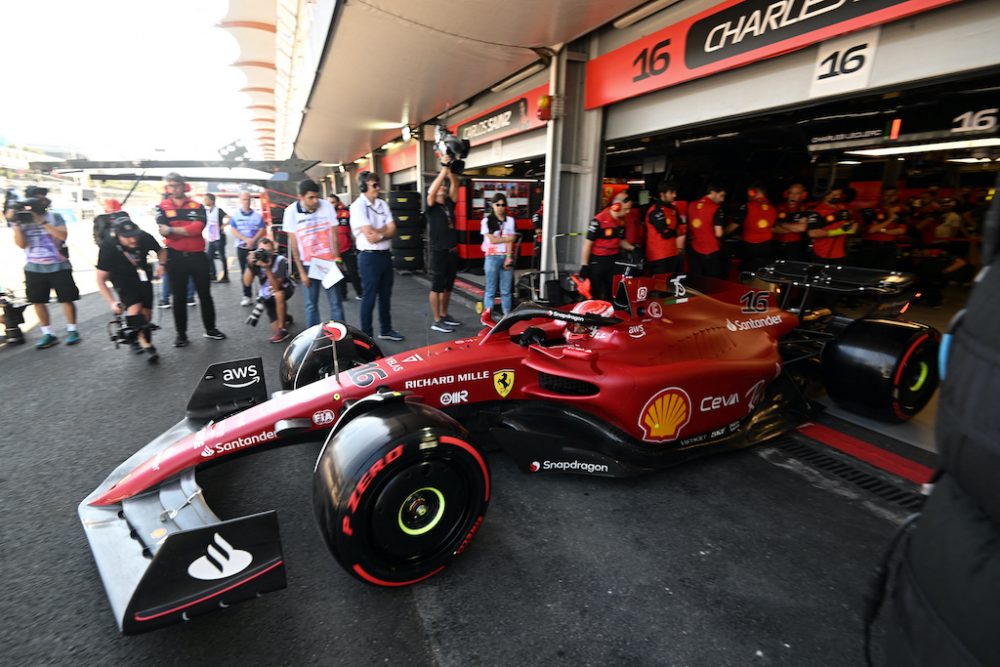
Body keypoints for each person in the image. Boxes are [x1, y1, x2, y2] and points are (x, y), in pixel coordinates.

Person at [155, 172, 226, 347]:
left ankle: (211, 329)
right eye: (171, 185)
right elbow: (162, 230)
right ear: (167, 188)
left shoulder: (197, 206)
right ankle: (181, 335)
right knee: (178, 298)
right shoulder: (161, 207)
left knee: (205, 295)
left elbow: (197, 229)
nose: (174, 188)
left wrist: (173, 231)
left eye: (177, 184)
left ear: (184, 186)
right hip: (175, 258)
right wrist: (181, 230)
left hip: (197, 256)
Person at [8, 186, 81, 349]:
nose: (42, 201)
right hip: (34, 267)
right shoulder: (22, 220)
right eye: (38, 198)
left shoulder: (55, 216)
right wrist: (17, 225)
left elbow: (62, 236)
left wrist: (41, 221)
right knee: (38, 301)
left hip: (59, 264)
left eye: (43, 198)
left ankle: (72, 330)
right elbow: (21, 245)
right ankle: (48, 333)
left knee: (66, 299)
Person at [95, 217, 166, 363]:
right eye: (127, 237)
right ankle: (147, 346)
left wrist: (162, 265)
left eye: (134, 235)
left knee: (147, 314)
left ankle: (138, 334)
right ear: (118, 235)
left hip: (143, 274)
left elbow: (161, 251)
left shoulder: (144, 237)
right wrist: (112, 302)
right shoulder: (109, 246)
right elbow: (100, 279)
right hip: (121, 278)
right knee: (135, 307)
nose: (133, 240)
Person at [350, 171, 404, 341]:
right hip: (369, 257)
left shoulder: (382, 204)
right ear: (363, 186)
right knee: (369, 296)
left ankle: (386, 329)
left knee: (385, 295)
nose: (378, 188)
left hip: (385, 255)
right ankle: (366, 336)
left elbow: (393, 229)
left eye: (378, 184)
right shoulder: (357, 206)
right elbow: (369, 235)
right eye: (374, 185)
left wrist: (381, 234)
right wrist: (383, 231)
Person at [284, 179, 344, 328]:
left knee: (336, 303)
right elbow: (294, 245)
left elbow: (334, 235)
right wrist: (301, 272)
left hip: (328, 262)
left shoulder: (327, 206)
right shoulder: (291, 212)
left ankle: (341, 337)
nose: (315, 200)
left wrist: (338, 260)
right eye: (311, 197)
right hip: (308, 265)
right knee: (311, 305)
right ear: (301, 197)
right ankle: (314, 341)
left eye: (317, 196)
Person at [425, 157, 463, 332]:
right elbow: (432, 191)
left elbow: (455, 186)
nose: (444, 187)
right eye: (442, 186)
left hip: (451, 250)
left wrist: (450, 172)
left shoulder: (449, 203)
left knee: (448, 285)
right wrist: (443, 169)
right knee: (437, 286)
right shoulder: (431, 206)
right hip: (438, 250)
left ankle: (445, 314)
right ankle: (436, 319)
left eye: (444, 186)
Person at [580, 192, 636, 300]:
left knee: (612, 291)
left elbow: (620, 240)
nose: (628, 212)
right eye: (626, 209)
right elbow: (588, 244)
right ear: (616, 206)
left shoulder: (621, 222)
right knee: (593, 293)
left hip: (614, 260)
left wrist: (633, 249)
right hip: (598, 261)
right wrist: (585, 265)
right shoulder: (598, 221)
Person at [243, 237, 295, 343]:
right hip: (267, 293)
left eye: (268, 251)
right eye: (261, 251)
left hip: (285, 288)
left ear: (273, 251)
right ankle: (284, 316)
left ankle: (282, 329)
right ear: (257, 250)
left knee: (279, 295)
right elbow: (247, 283)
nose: (264, 254)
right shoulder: (255, 260)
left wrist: (267, 268)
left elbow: (276, 288)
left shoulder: (280, 261)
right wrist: (249, 264)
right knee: (274, 328)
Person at [480, 192, 519, 316]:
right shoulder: (486, 221)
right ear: (493, 205)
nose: (501, 207)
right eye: (498, 204)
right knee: (490, 289)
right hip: (491, 257)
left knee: (506, 290)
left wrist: (509, 257)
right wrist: (508, 239)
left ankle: (506, 316)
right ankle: (487, 317)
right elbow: (492, 240)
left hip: (505, 256)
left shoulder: (510, 221)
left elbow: (510, 242)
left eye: (503, 205)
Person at [229, 191, 267, 307]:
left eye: (248, 200)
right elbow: (233, 230)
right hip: (242, 248)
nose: (246, 202)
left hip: (256, 248)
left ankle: (263, 294)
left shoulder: (257, 216)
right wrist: (246, 240)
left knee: (260, 271)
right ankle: (247, 295)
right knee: (245, 272)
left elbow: (262, 229)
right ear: (240, 201)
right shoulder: (235, 216)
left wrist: (253, 240)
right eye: (244, 200)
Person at [728, 184, 775, 273]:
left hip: (750, 247)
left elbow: (733, 226)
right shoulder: (773, 208)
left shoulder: (747, 206)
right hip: (767, 246)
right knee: (762, 271)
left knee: (747, 271)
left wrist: (722, 233)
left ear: (754, 192)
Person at [859, 186, 907, 269]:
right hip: (871, 245)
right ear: (881, 195)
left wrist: (881, 229)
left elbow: (901, 231)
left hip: (889, 246)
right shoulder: (871, 210)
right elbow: (871, 230)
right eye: (887, 195)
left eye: (892, 195)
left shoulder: (900, 211)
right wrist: (890, 219)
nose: (890, 197)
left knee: (885, 272)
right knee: (866, 271)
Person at [644, 180, 685, 277]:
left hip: (673, 253)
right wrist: (677, 231)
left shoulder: (674, 209)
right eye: (671, 192)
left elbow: (681, 226)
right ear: (662, 194)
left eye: (675, 192)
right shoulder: (655, 210)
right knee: (659, 286)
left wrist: (676, 231)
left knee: (671, 284)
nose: (674, 195)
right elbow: (665, 233)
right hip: (659, 256)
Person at [808, 184, 857, 263]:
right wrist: (839, 231)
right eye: (834, 195)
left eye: (839, 195)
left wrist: (854, 225)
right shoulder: (817, 211)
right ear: (825, 195)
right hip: (822, 253)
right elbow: (812, 233)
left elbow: (851, 223)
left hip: (841, 253)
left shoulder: (844, 208)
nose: (837, 197)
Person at [686, 184, 727, 278]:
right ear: (712, 193)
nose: (722, 200)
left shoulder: (691, 205)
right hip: (711, 251)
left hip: (695, 249)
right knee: (712, 281)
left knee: (696, 280)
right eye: (721, 195)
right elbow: (719, 233)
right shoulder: (716, 208)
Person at [329, 194, 363, 302]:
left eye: (333, 202)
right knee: (339, 274)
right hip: (334, 252)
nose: (331, 205)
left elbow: (353, 230)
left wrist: (356, 245)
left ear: (338, 203)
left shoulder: (346, 214)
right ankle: (343, 295)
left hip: (347, 248)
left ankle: (361, 293)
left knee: (353, 273)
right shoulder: (326, 217)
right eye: (329, 202)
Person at [202, 193, 230, 282]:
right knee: (209, 256)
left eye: (206, 199)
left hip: (219, 238)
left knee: (222, 257)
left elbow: (230, 218)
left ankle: (225, 276)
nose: (204, 201)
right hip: (211, 238)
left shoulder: (218, 210)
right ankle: (212, 275)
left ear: (212, 201)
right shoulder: (207, 211)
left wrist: (223, 225)